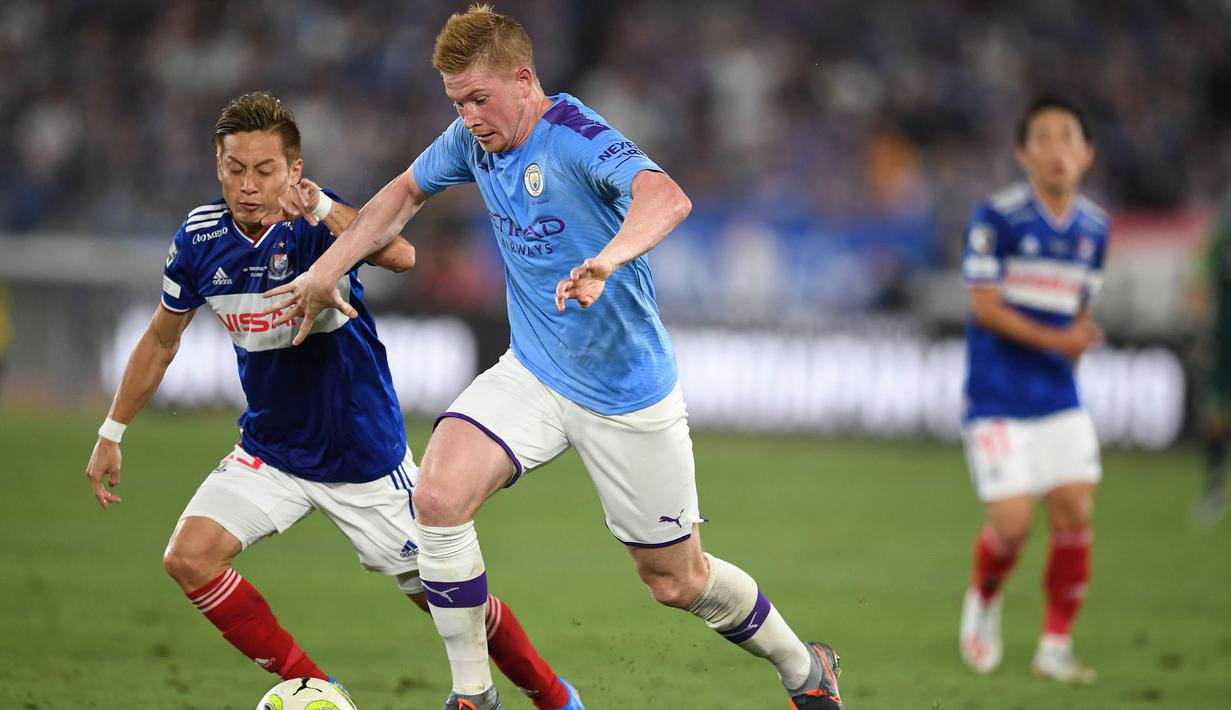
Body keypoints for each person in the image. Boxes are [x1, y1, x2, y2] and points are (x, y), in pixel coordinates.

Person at [264, 6, 843, 709]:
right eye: (457, 102)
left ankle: (804, 668)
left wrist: (605, 260)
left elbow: (667, 197)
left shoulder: (575, 137)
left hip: (626, 392)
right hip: (535, 371)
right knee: (438, 496)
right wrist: (330, 267)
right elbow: (402, 196)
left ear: (523, 79)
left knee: (675, 581)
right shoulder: (473, 141)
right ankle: (473, 694)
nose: (469, 117)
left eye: (479, 99)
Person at [83, 91, 583, 710]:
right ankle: (316, 689)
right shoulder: (199, 239)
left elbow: (402, 256)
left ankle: (555, 697)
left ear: (294, 171)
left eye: (265, 170)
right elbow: (162, 339)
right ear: (218, 168)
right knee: (189, 558)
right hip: (272, 451)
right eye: (235, 169)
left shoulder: (319, 224)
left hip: (364, 459)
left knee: (458, 604)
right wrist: (113, 430)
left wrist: (321, 207)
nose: (249, 185)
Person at [957, 94, 1108, 684]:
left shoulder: (1096, 228)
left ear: (1087, 153)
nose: (1057, 150)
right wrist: (1060, 341)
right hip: (996, 396)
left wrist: (1072, 351)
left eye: (1068, 137)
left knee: (1075, 511)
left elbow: (1080, 311)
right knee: (1013, 524)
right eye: (1043, 138)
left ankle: (1055, 645)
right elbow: (986, 308)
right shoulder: (997, 218)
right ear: (1023, 153)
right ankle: (985, 601)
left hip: (1059, 397)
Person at [1194, 208, 1231, 526]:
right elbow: (1200, 284)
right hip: (1224, 345)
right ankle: (1215, 489)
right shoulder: (1221, 239)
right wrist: (1198, 329)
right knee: (1217, 417)